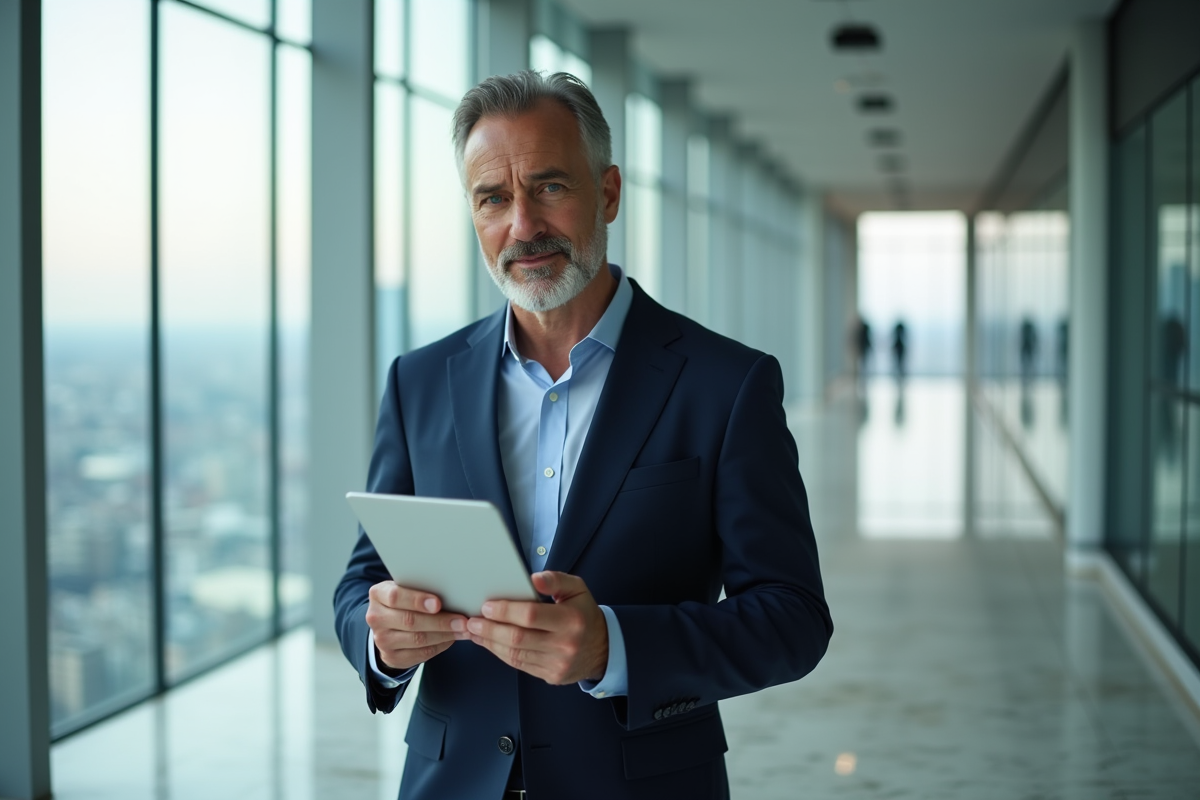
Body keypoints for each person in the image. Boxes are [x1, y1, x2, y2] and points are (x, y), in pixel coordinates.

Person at [333, 70, 832, 800]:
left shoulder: (726, 384)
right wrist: (382, 640)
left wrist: (614, 647)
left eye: (550, 187)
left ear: (609, 192)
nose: (523, 225)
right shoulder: (420, 380)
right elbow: (361, 583)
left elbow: (793, 617)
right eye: (493, 198)